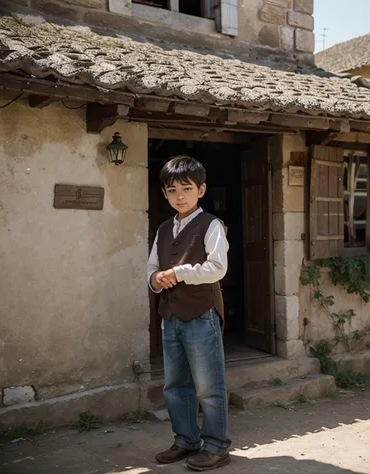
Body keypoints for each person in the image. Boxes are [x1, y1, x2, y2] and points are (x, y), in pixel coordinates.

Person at [147, 155, 231, 471]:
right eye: (171, 190)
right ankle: (185, 440)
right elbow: (152, 267)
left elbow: (217, 267)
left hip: (201, 313)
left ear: (201, 189)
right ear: (165, 194)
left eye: (186, 188)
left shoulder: (211, 224)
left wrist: (180, 272)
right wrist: (156, 279)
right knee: (175, 385)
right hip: (171, 316)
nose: (179, 196)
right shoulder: (163, 228)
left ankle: (217, 446)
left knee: (209, 386)